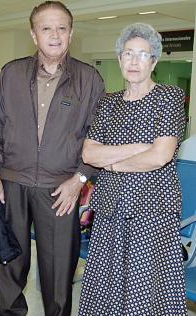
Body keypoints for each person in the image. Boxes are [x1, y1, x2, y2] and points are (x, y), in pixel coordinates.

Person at [0, 1, 105, 315]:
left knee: (58, 274)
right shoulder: (11, 73)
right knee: (8, 268)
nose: (55, 35)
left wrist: (80, 179)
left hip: (60, 189)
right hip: (11, 185)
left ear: (71, 33)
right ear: (33, 35)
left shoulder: (89, 79)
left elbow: (98, 137)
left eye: (62, 28)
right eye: (46, 28)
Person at [79, 23, 187, 315]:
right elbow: (89, 153)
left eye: (143, 55)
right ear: (119, 58)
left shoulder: (169, 97)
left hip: (151, 213)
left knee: (144, 293)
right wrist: (139, 148)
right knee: (105, 289)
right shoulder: (108, 103)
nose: (134, 61)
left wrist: (111, 163)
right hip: (110, 212)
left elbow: (160, 156)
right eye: (128, 54)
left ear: (154, 61)